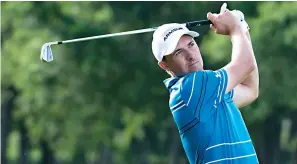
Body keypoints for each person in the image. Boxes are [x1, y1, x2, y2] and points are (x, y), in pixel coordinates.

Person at [151, 4, 259, 164]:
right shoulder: (190, 87)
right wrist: (234, 27)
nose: (190, 55)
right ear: (164, 65)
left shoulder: (210, 89)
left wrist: (242, 28)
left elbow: (250, 89)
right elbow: (245, 64)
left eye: (191, 45)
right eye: (179, 52)